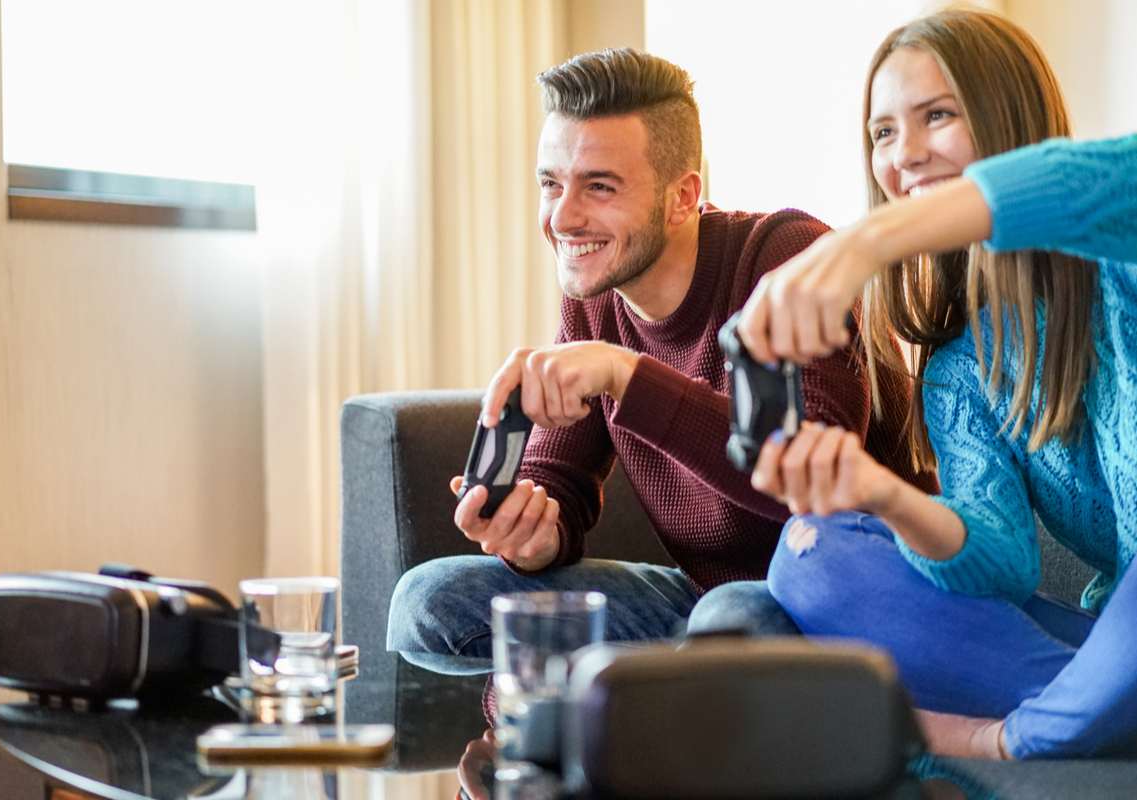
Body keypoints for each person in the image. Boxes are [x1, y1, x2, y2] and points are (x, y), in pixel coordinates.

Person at [735, 9, 1137, 761]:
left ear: (1011, 121)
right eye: (881, 132)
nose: (902, 155)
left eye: (936, 115)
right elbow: (1002, 561)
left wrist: (865, 241)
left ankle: (1028, 733)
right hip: (1130, 650)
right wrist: (881, 494)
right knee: (813, 553)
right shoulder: (962, 367)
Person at [386, 48, 935, 675]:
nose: (563, 217)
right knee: (430, 601)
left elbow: (807, 484)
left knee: (731, 621)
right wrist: (535, 531)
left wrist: (625, 374)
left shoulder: (784, 257)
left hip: (843, 602)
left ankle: (651, 698)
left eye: (599, 186)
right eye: (550, 183)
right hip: (700, 610)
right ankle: (606, 715)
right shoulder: (597, 300)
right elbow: (560, 480)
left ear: (682, 196)